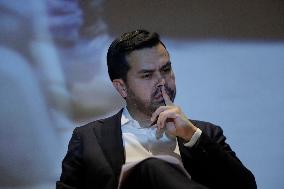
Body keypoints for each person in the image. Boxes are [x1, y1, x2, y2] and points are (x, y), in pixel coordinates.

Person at [56, 29, 257, 189]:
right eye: (147, 75)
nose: (162, 82)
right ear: (122, 87)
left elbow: (246, 186)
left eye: (166, 69)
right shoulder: (88, 139)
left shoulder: (204, 134)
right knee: (150, 167)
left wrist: (192, 136)